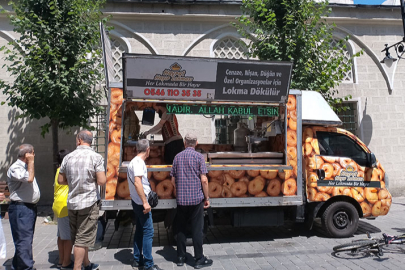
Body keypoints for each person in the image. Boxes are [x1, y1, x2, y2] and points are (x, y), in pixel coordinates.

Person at [58, 130, 106, 270]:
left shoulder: (68, 157)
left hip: (72, 202)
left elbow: (61, 180)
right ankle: (77, 267)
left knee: (79, 235)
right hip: (89, 202)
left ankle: (87, 263)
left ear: (79, 140)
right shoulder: (96, 157)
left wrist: (74, 182)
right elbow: (102, 181)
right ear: (90, 141)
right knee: (82, 238)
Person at [170, 134, 213, 269]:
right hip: (196, 200)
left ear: (184, 143)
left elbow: (172, 180)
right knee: (196, 229)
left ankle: (180, 257)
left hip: (181, 200)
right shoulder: (199, 157)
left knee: (180, 228)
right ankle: (199, 259)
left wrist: (179, 190)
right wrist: (206, 198)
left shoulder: (177, 157)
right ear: (196, 143)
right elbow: (204, 180)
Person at [127, 139, 162, 270]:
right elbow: (137, 183)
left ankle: (137, 259)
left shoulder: (134, 162)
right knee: (148, 231)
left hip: (136, 201)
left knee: (140, 230)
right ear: (148, 150)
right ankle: (148, 264)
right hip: (141, 202)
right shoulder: (138, 163)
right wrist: (145, 202)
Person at [7, 144, 40, 270]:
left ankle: (18, 265)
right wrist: (31, 161)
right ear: (28, 154)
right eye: (33, 153)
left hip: (28, 208)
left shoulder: (25, 167)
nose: (34, 156)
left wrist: (29, 162)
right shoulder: (16, 168)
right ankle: (26, 267)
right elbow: (30, 178)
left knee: (25, 239)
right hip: (21, 209)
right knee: (24, 240)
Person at [52, 149, 74, 269]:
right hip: (64, 206)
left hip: (58, 204)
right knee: (68, 237)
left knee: (61, 235)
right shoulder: (64, 171)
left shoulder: (58, 171)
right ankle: (66, 262)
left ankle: (61, 259)